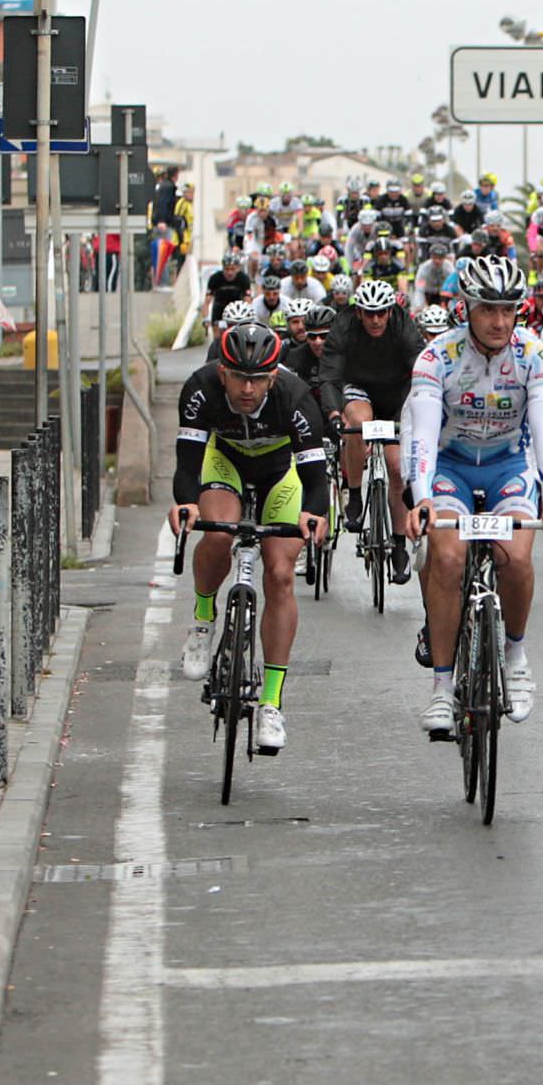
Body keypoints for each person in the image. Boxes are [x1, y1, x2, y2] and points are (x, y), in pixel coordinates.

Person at [403, 258, 543, 737]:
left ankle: (515, 656)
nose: (499, 321)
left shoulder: (535, 356)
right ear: (467, 308)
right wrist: (421, 498)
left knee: (516, 558)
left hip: (508, 469)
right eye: (488, 309)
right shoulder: (438, 357)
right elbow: (422, 432)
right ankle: (440, 688)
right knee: (449, 558)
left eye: (509, 310)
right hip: (449, 467)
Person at [169, 323, 331, 756]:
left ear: (272, 376)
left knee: (280, 574)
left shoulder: (295, 399)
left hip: (281, 472)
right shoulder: (200, 389)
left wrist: (316, 516)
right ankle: (203, 619)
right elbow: (186, 464)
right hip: (225, 463)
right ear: (221, 371)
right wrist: (186, 503)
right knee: (219, 533)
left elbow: (316, 479)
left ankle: (272, 703)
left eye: (258, 378)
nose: (247, 387)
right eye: (238, 376)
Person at [317, 279, 425, 582]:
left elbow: (422, 367)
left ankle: (400, 545)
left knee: (394, 466)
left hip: (396, 392)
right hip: (359, 386)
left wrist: (421, 413)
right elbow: (329, 375)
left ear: (391, 311)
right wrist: (333, 413)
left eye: (381, 313)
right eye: (369, 313)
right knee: (358, 426)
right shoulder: (344, 325)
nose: (375, 320)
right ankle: (353, 494)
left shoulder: (403, 325)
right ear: (358, 312)